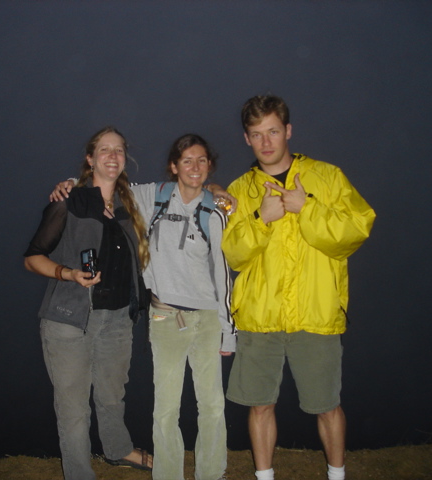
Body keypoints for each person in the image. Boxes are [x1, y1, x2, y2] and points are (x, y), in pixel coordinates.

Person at [51, 134, 236, 480]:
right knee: (166, 410)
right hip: (165, 316)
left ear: (209, 166)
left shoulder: (216, 209)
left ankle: (212, 474)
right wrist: (71, 184)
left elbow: (223, 272)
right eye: (186, 161)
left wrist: (229, 331)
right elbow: (104, 184)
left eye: (201, 161)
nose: (194, 167)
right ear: (173, 166)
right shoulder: (153, 197)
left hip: (208, 319)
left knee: (212, 406)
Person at [221, 95, 376, 480]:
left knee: (327, 405)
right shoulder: (239, 190)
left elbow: (356, 231)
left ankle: (337, 475)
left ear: (288, 131)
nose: (266, 142)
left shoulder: (328, 177)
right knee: (259, 406)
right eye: (257, 135)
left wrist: (307, 208)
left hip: (316, 313)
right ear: (247, 139)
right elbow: (232, 255)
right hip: (260, 318)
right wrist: (261, 218)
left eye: (273, 131)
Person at [23, 126, 153, 480]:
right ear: (91, 158)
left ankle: (117, 449)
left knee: (113, 396)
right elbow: (32, 258)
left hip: (117, 321)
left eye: (119, 150)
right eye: (104, 150)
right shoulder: (70, 201)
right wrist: (68, 274)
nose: (113, 156)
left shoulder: (132, 205)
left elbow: (187, 187)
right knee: (74, 410)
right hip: (69, 320)